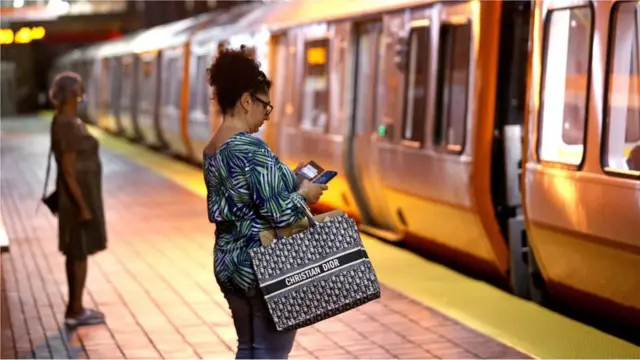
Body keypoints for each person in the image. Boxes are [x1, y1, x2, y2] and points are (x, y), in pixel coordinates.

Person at [202, 48, 327, 359]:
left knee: (248, 348)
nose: (265, 116)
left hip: (229, 261)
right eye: (265, 107)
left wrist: (288, 181)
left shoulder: (213, 147)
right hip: (263, 262)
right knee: (271, 353)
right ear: (247, 101)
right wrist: (304, 194)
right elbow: (279, 211)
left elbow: (245, 194)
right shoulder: (251, 148)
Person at [48, 71, 107, 327]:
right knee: (77, 252)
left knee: (79, 252)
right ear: (73, 94)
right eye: (80, 90)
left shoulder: (68, 120)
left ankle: (77, 307)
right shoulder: (67, 124)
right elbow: (68, 170)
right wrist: (82, 206)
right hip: (76, 199)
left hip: (82, 194)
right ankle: (75, 309)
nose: (82, 95)